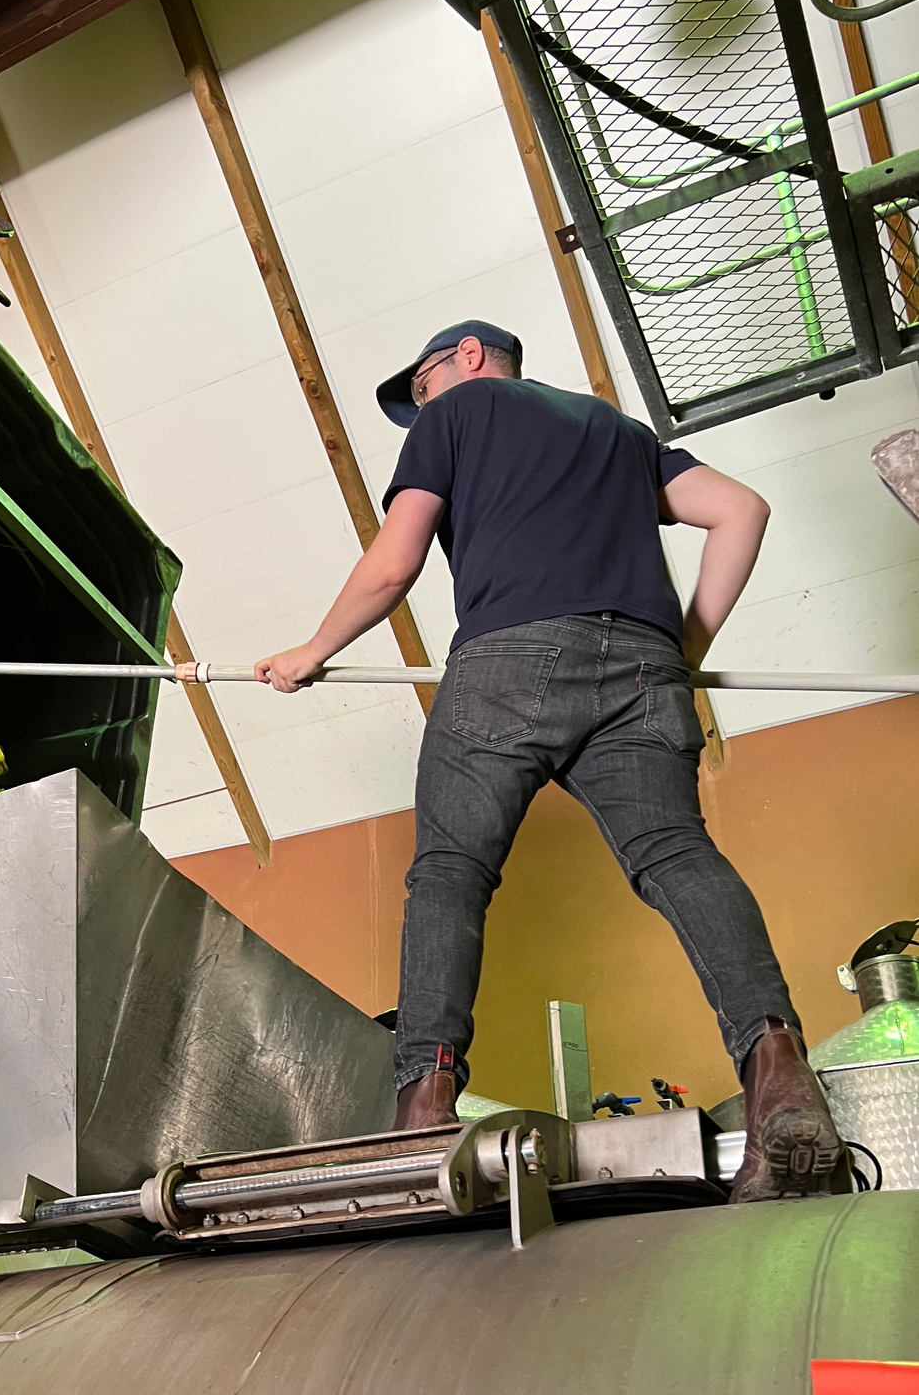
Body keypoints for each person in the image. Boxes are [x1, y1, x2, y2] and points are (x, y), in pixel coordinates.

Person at [254, 320, 846, 1203]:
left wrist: (312, 649)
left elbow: (394, 563)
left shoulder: (453, 420)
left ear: (467, 358)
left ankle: (423, 1110)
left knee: (451, 873)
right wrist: (677, 648)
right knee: (678, 858)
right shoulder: (618, 433)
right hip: (642, 669)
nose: (420, 407)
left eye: (420, 387)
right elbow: (741, 510)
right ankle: (780, 1071)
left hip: (508, 662)